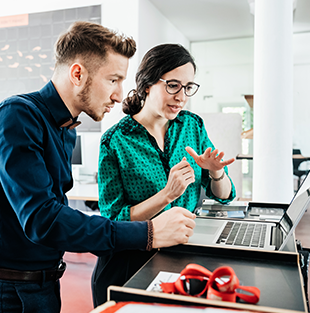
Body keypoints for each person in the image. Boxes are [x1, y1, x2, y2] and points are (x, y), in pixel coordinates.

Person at [0, 21, 196, 313]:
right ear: (78, 73)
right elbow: (43, 219)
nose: (119, 95)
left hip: (43, 285)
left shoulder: (66, 128)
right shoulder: (16, 118)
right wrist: (147, 233)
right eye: (113, 80)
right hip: (6, 294)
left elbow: (59, 213)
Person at [91, 43, 236, 306]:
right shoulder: (115, 141)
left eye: (188, 87)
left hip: (183, 257)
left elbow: (224, 196)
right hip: (130, 263)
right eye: (173, 85)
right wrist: (167, 195)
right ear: (147, 84)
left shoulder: (192, 125)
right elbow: (114, 219)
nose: (182, 96)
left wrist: (216, 174)